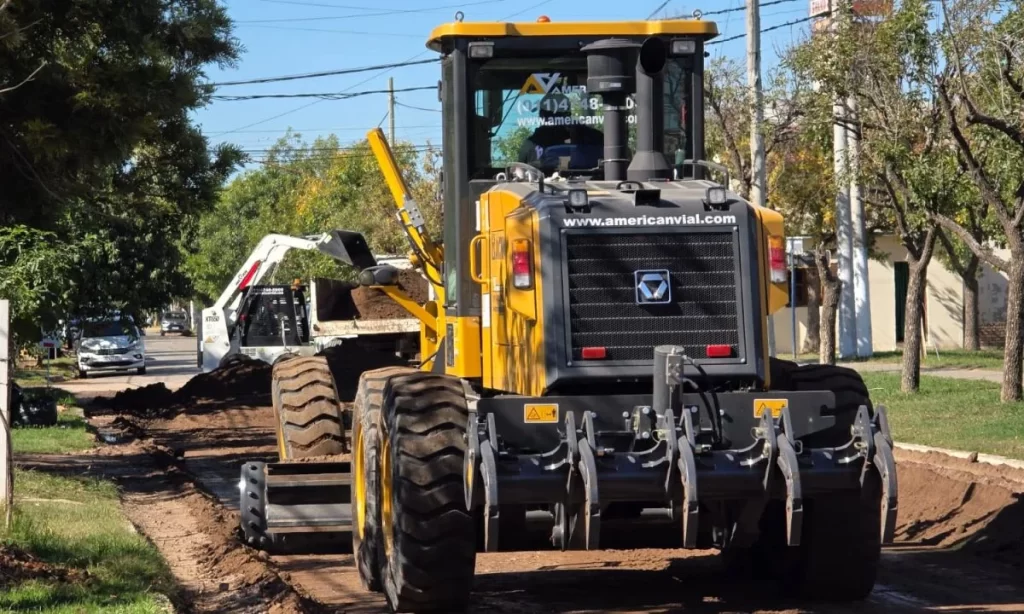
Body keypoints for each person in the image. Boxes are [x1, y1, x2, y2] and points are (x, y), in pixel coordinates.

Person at [517, 97, 604, 172]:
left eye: (558, 116)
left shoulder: (590, 138)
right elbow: (519, 172)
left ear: (541, 116)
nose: (555, 121)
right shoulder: (532, 144)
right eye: (550, 116)